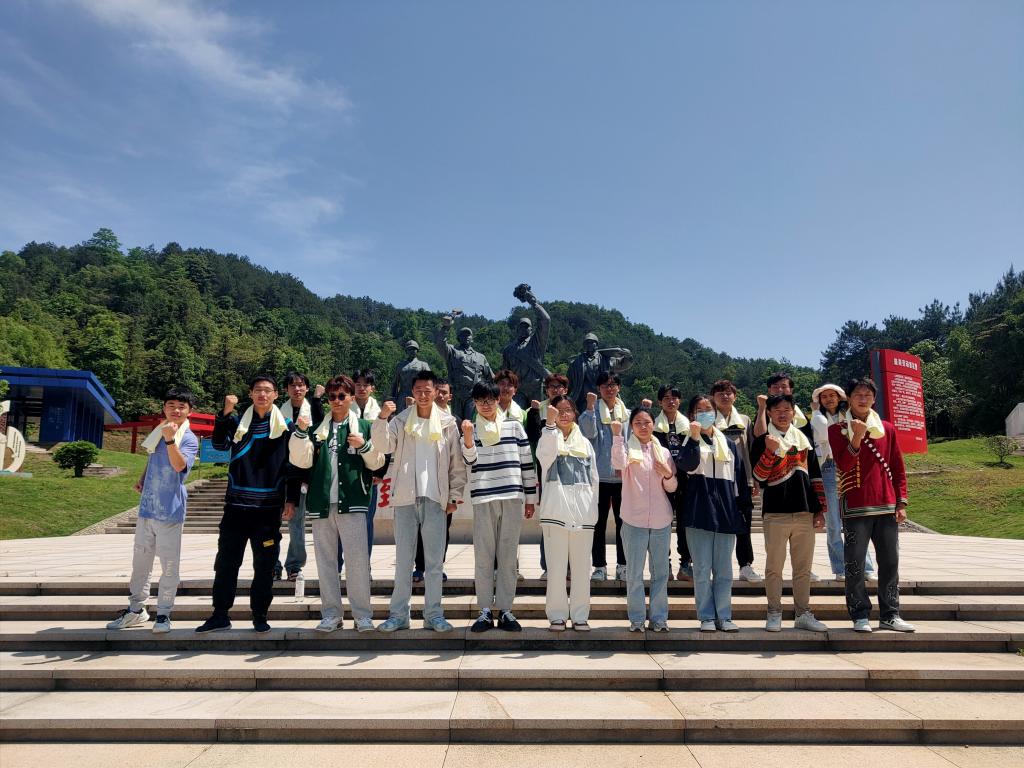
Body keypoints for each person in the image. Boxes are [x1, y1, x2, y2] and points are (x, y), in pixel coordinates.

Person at [197, 375, 295, 633]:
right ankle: (220, 614)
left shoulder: (286, 426)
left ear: (276, 395)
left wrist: (292, 498)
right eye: (257, 390)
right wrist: (225, 413)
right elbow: (219, 445)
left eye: (267, 390)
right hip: (236, 506)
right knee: (226, 562)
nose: (262, 394)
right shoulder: (237, 422)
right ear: (250, 394)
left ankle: (260, 615)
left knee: (264, 565)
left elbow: (294, 464)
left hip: (268, 507)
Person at [372, 370, 468, 632]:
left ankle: (433, 614)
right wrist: (381, 418)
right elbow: (383, 445)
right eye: (419, 391)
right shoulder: (401, 420)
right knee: (403, 561)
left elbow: (456, 464)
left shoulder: (448, 423)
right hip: (405, 498)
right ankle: (398, 615)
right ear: (412, 392)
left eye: (428, 390)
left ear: (436, 392)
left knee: (435, 563)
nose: (423, 395)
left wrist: (455, 496)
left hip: (436, 499)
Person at [288, 375, 384, 633]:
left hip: (352, 501)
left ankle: (362, 615)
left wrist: (364, 446)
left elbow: (378, 463)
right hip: (321, 502)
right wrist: (300, 432)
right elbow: (300, 461)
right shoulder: (316, 429)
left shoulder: (364, 426)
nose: (337, 401)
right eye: (332, 396)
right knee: (326, 562)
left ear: (351, 397)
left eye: (342, 396)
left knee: (357, 562)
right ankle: (331, 613)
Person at [107, 387, 199, 634]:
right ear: (164, 408)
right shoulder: (160, 431)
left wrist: (170, 439)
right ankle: (136, 609)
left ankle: (164, 614)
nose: (176, 410)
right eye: (171, 405)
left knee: (169, 565)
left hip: (170, 510)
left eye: (181, 406)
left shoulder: (188, 438)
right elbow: (152, 458)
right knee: (140, 563)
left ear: (189, 411)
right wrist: (142, 478)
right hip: (148, 508)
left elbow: (179, 466)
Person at [828, 377, 915, 633]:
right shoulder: (837, 430)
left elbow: (897, 467)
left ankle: (891, 614)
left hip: (886, 504)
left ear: (874, 399)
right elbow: (844, 465)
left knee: (890, 562)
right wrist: (856, 436)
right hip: (856, 505)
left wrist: (901, 501)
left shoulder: (887, 429)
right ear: (849, 398)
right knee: (854, 564)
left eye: (867, 395)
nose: (863, 399)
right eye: (858, 394)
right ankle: (859, 614)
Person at [461, 382, 537, 632]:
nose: (485, 405)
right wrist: (468, 438)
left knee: (508, 557)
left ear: (497, 400)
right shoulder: (471, 428)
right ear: (474, 403)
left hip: (512, 496)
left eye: (490, 400)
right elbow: (469, 461)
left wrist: (530, 497)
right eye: (480, 400)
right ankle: (484, 610)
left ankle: (505, 609)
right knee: (483, 556)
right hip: (483, 497)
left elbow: (526, 462)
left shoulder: (514, 426)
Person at [750, 394, 829, 633]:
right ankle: (774, 612)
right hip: (775, 513)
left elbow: (815, 477)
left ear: (794, 412)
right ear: (769, 413)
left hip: (804, 512)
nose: (783, 414)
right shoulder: (762, 440)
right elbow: (759, 477)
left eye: (787, 409)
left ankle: (803, 613)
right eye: (777, 410)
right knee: (774, 567)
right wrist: (770, 452)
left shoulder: (804, 440)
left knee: (803, 568)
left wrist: (820, 510)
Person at [677, 394, 752, 632]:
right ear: (692, 415)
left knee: (724, 571)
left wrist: (742, 509)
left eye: (708, 409)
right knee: (701, 570)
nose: (705, 414)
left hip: (726, 513)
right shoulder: (687, 441)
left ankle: (724, 615)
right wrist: (694, 437)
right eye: (699, 410)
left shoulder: (728, 444)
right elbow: (687, 466)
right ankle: (706, 616)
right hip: (698, 513)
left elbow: (739, 480)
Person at [611, 407, 677, 632]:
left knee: (661, 574)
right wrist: (617, 436)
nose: (642, 426)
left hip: (660, 520)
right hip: (633, 519)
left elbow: (672, 486)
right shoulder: (627, 450)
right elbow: (617, 464)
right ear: (631, 426)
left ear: (653, 425)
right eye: (637, 422)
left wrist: (667, 473)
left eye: (646, 422)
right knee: (634, 574)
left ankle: (658, 618)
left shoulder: (663, 452)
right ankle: (637, 619)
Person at [536, 396, 599, 631]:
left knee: (582, 570)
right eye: (559, 410)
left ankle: (580, 616)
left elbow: (594, 480)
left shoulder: (585, 444)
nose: (564, 414)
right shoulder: (547, 437)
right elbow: (545, 455)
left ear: (575, 413)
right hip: (555, 515)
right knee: (556, 570)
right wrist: (549, 425)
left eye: (568, 410)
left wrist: (592, 511)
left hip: (583, 517)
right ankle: (557, 615)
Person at [811, 384, 878, 582]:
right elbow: (824, 435)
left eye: (832, 395)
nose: (829, 399)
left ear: (840, 397)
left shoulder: (849, 415)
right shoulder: (817, 417)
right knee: (833, 523)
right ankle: (841, 568)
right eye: (824, 397)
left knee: (855, 521)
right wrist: (816, 412)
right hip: (828, 467)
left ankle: (866, 567)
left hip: (850, 466)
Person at [579, 371, 630, 580]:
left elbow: (631, 440)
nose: (609, 389)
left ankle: (623, 565)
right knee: (597, 524)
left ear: (618, 387)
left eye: (613, 385)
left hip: (622, 478)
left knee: (623, 524)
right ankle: (599, 566)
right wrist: (590, 408)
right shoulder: (592, 411)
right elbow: (588, 433)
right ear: (599, 389)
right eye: (605, 385)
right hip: (598, 477)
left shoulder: (626, 414)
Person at [709, 379, 761, 583]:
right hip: (716, 480)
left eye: (728, 393)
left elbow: (751, 451)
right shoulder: (708, 420)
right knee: (715, 524)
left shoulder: (745, 420)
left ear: (735, 396)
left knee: (744, 524)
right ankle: (716, 566)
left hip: (741, 480)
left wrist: (753, 479)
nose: (725, 396)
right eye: (720, 393)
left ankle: (745, 565)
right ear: (713, 397)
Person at [275, 372, 325, 581]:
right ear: (286, 389)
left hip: (302, 475)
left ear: (307, 388)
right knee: (272, 523)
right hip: (278, 475)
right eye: (293, 385)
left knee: (297, 521)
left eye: (301, 385)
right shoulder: (277, 413)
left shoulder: (313, 411)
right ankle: (272, 565)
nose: (297, 389)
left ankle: (294, 565)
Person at [526, 373, 570, 578]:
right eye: (551, 386)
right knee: (549, 521)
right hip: (546, 472)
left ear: (566, 390)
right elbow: (534, 437)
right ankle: (548, 566)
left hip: (569, 473)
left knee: (570, 521)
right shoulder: (537, 408)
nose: (555, 389)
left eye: (559, 386)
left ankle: (569, 566)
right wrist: (536, 413)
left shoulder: (571, 407)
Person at [652, 385, 691, 581]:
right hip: (661, 482)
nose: (671, 401)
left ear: (680, 401)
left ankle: (685, 565)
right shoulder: (653, 426)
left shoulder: (689, 426)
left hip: (684, 482)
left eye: (674, 397)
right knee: (662, 525)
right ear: (660, 402)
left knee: (684, 524)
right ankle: (663, 564)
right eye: (666, 398)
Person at [435, 317, 494, 420]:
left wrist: (491, 396)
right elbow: (440, 344)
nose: (466, 337)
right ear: (458, 338)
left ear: (472, 338)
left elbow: (491, 377)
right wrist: (445, 327)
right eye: (463, 335)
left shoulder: (481, 357)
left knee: (471, 423)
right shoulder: (452, 352)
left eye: (468, 335)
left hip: (474, 395)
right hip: (457, 394)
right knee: (455, 422)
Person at [501, 285, 551, 406]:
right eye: (521, 327)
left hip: (536, 388)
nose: (524, 329)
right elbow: (505, 374)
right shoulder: (509, 350)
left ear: (531, 329)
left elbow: (545, 320)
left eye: (527, 327)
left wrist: (533, 302)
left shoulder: (536, 343)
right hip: (518, 391)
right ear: (517, 330)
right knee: (517, 416)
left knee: (538, 417)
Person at [567, 332, 634, 414]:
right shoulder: (577, 362)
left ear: (597, 344)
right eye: (587, 343)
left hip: (604, 398)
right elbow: (568, 382)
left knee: (607, 418)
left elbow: (623, 364)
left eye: (592, 342)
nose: (589, 344)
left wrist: (628, 356)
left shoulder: (605, 359)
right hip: (584, 401)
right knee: (584, 420)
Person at [391, 341, 431, 406]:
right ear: (406, 351)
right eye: (409, 349)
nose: (412, 351)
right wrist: (392, 399)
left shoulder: (423, 365)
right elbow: (395, 384)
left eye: (414, 349)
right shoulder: (400, 365)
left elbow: (430, 383)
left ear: (417, 350)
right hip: (402, 398)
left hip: (418, 396)